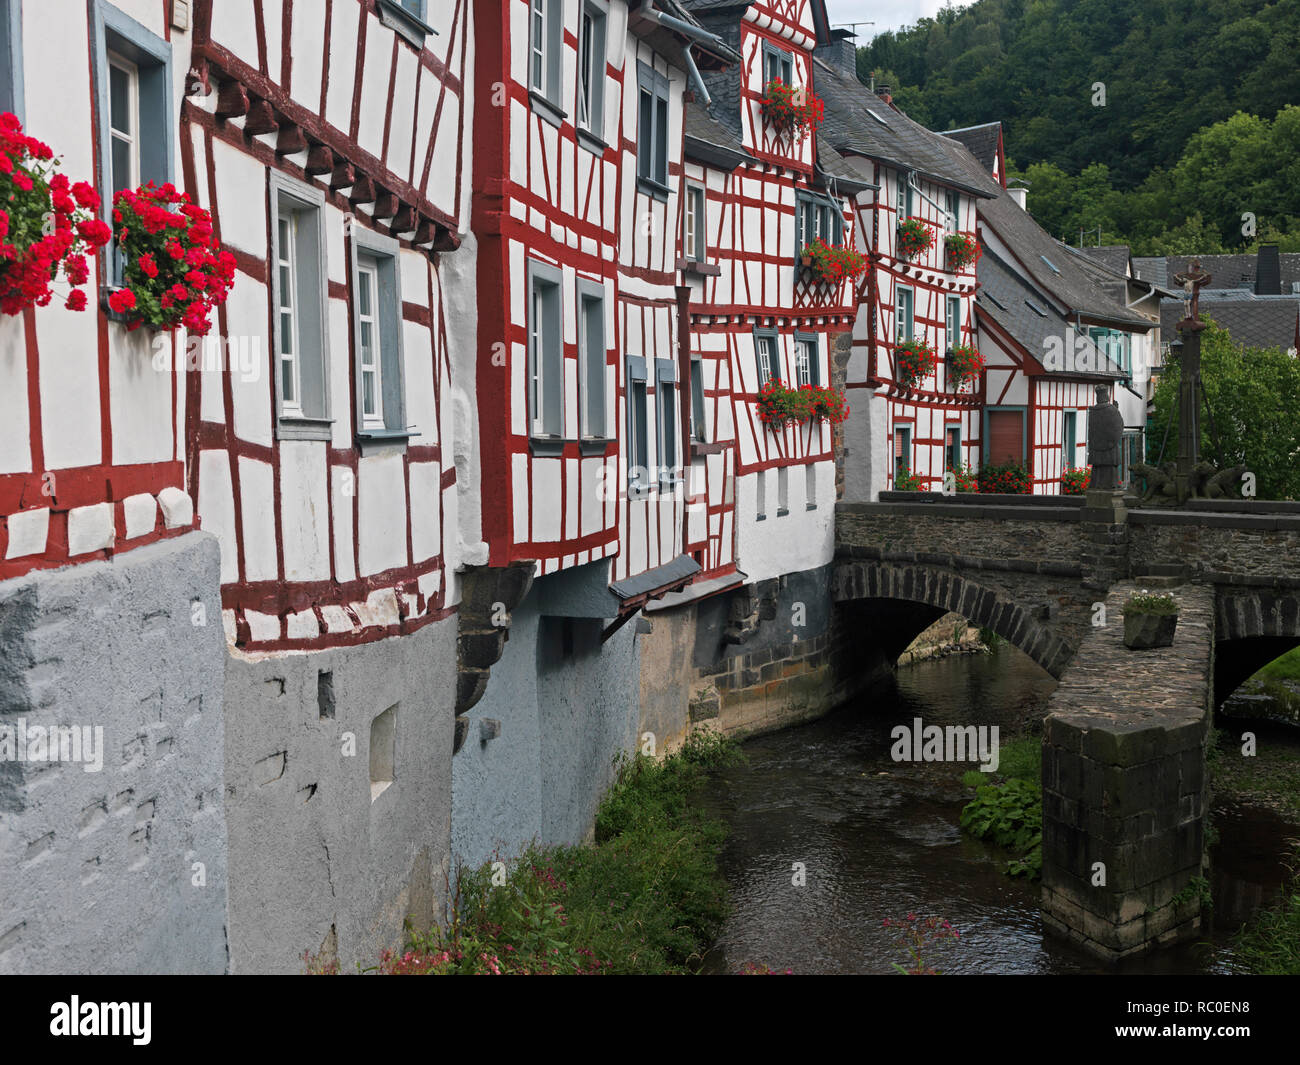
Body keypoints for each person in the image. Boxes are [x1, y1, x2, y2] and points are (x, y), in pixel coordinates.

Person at [1086, 384, 1123, 490]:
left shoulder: (1092, 411)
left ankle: (1096, 484)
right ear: (1106, 396)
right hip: (1109, 447)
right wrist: (1117, 410)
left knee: (1097, 469)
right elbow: (1118, 426)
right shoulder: (1112, 410)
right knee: (1110, 469)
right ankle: (1112, 484)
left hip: (1096, 447)